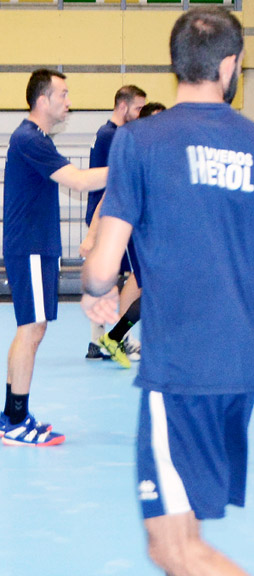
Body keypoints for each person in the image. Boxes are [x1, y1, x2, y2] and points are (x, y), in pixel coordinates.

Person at [80, 8, 254, 575]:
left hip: (179, 370)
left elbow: (100, 267)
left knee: (174, 549)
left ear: (175, 62)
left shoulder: (140, 141)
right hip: (237, 366)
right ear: (231, 65)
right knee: (181, 539)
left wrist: (97, 289)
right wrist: (245, 308)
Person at [0, 69, 109, 447]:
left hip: (38, 245)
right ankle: (13, 421)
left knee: (36, 327)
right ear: (42, 99)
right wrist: (129, 170)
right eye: (63, 94)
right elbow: (78, 181)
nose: (69, 101)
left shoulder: (39, 139)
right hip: (28, 245)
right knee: (31, 328)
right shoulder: (29, 138)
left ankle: (15, 414)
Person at [89, 101, 169, 369]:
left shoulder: (158, 152)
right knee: (154, 288)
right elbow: (110, 194)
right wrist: (92, 234)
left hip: (156, 232)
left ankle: (117, 336)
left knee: (149, 287)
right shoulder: (135, 153)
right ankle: (115, 337)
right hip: (142, 233)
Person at [83, 85, 147, 363]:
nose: (140, 113)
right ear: (123, 106)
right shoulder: (114, 135)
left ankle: (107, 339)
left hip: (111, 215)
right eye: (138, 108)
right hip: (109, 216)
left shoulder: (108, 133)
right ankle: (106, 339)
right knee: (111, 278)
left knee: (115, 279)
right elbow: (115, 183)